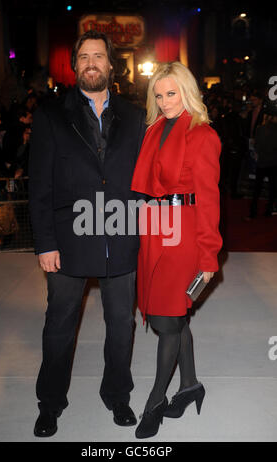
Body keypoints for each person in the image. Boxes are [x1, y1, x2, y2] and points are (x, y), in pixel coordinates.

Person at [28, 30, 146, 437]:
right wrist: (44, 242)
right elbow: (39, 185)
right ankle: (50, 403)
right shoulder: (49, 115)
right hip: (68, 239)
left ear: (112, 65)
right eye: (84, 57)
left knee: (121, 325)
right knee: (59, 326)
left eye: (99, 56)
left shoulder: (135, 116)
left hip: (121, 234)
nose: (92, 62)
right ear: (74, 65)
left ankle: (118, 395)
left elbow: (147, 181)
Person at [131, 62, 222, 439]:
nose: (165, 101)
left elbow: (209, 201)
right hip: (155, 230)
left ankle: (155, 400)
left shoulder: (203, 135)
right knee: (172, 315)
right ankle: (190, 386)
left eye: (171, 93)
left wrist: (208, 255)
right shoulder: (154, 130)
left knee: (167, 320)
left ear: (186, 92)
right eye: (158, 94)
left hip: (184, 234)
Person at [246, 104, 277, 219]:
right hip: (273, 163)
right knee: (272, 189)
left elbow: (256, 146)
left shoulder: (260, 129)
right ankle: (269, 210)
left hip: (262, 162)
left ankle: (253, 211)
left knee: (257, 189)